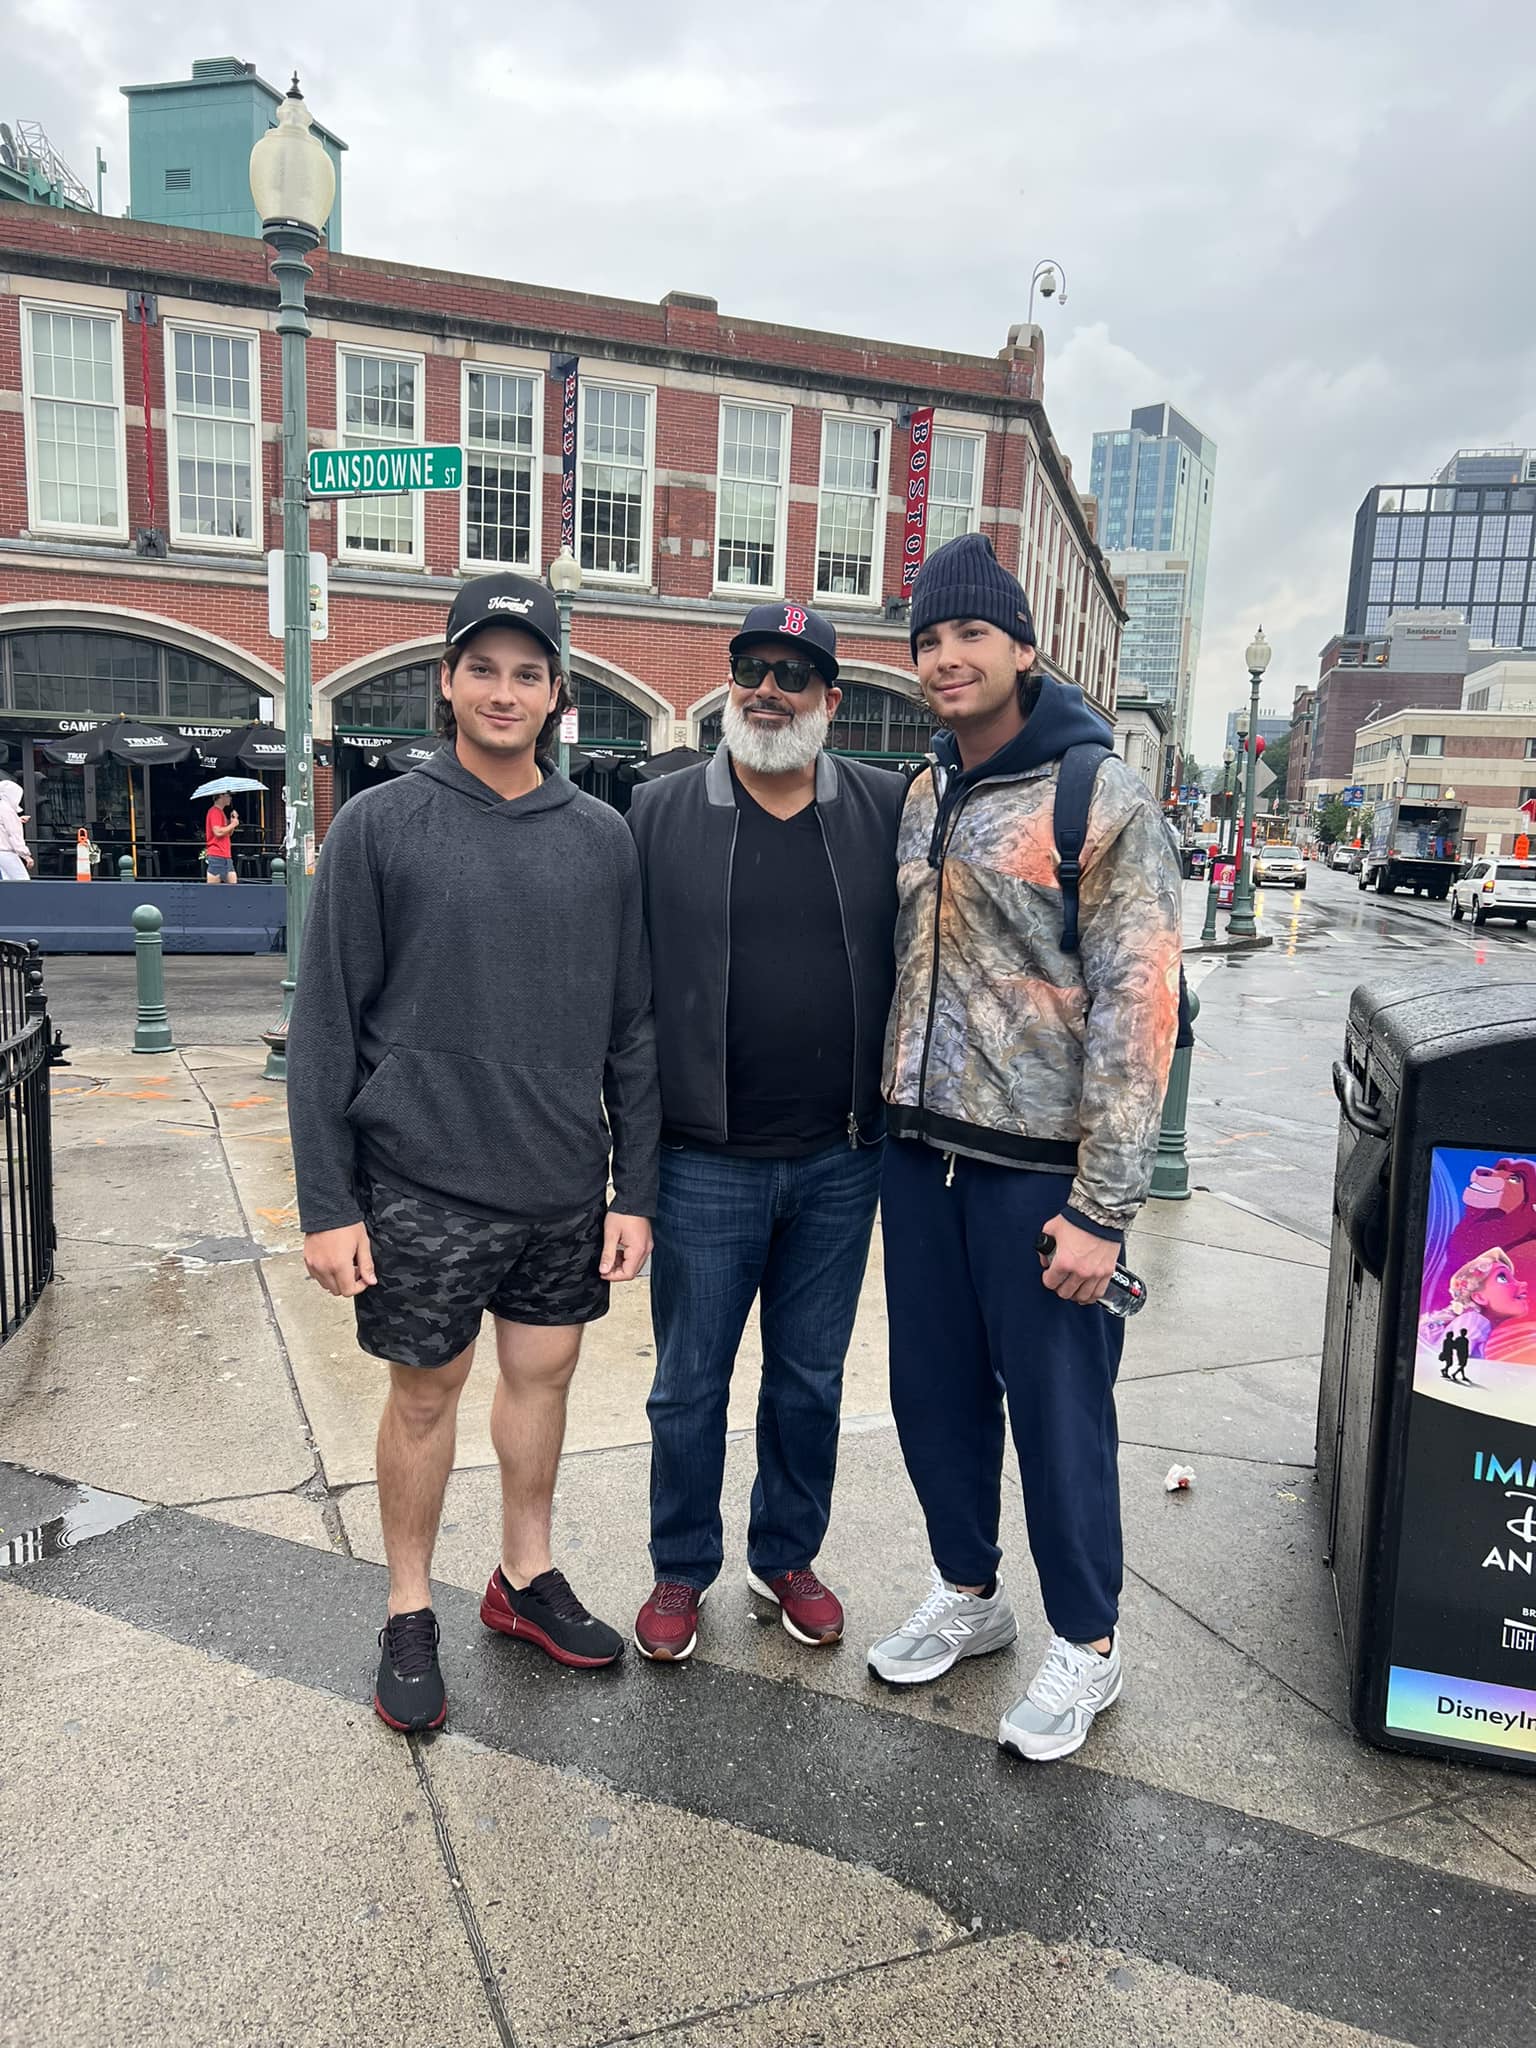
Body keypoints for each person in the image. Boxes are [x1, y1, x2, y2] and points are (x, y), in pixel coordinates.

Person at [288, 570, 660, 1734]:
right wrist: (325, 1203)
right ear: (446, 680)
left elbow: (633, 1025)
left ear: (557, 694)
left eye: (529, 672)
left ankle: (524, 1574)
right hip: (421, 1185)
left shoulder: (604, 838)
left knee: (542, 1384)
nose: (506, 691)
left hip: (558, 1185)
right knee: (423, 1396)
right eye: (483, 667)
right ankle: (409, 1605)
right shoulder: (381, 825)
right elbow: (326, 1025)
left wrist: (631, 1187)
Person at [868, 532, 1181, 1765]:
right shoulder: (927, 787)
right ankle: (969, 1590)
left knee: (1060, 1417)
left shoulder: (1094, 793)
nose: (947, 657)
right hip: (921, 1156)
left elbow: (1140, 1002)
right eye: (929, 639)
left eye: (970, 635)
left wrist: (1104, 1209)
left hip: (1039, 1174)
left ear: (1022, 648)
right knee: (932, 1399)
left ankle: (1088, 1642)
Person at [626, 602, 903, 1660]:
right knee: (688, 1381)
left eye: (795, 673)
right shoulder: (656, 814)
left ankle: (785, 1552)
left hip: (841, 1158)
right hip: (704, 1161)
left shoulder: (883, 808)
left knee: (809, 1378)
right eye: (752, 667)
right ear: (727, 681)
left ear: (831, 700)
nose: (769, 689)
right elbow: (618, 991)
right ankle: (678, 1567)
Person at [0, 781, 33, 879]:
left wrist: (17, 820)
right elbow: (13, 835)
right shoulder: (7, 810)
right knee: (22, 881)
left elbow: (3, 826)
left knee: (8, 883)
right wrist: (26, 855)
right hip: (6, 852)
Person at [205, 791, 239, 884]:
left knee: (233, 887)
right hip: (217, 855)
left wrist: (232, 822)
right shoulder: (214, 812)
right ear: (220, 796)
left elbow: (228, 833)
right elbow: (217, 832)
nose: (230, 798)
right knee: (213, 892)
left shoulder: (221, 813)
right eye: (228, 795)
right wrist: (233, 824)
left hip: (226, 855)